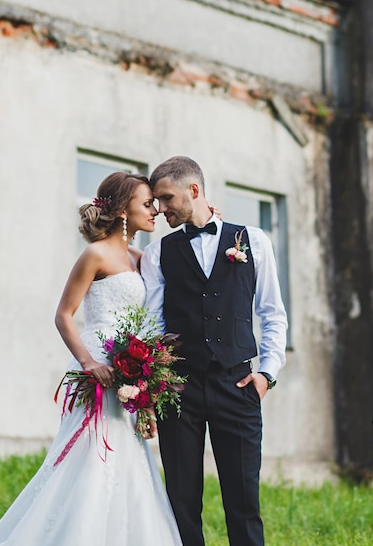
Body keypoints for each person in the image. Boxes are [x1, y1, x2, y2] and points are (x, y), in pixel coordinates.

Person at [0, 172, 182, 545]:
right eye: (146, 203)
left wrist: (145, 389)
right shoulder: (95, 254)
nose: (154, 210)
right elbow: (64, 314)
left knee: (127, 453)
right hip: (98, 367)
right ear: (124, 210)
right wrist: (89, 362)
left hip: (131, 369)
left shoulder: (141, 258)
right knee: (91, 455)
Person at [140, 156, 288, 546]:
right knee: (182, 504)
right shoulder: (158, 254)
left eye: (166, 198)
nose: (160, 208)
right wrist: (156, 385)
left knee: (243, 505)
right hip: (179, 390)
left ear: (194, 190)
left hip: (237, 386)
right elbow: (153, 324)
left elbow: (272, 313)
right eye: (155, 201)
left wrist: (267, 374)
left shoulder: (254, 241)